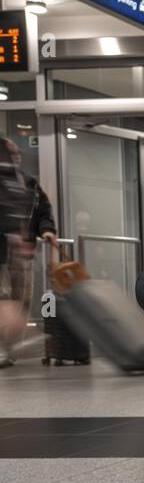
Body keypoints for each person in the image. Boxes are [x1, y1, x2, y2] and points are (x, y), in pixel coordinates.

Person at [0, 138, 57, 367]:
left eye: (17, 153)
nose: (16, 156)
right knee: (4, 300)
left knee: (22, 299)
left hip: (22, 255)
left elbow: (43, 210)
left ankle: (10, 347)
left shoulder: (28, 184)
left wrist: (47, 230)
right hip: (3, 253)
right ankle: (3, 347)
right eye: (10, 153)